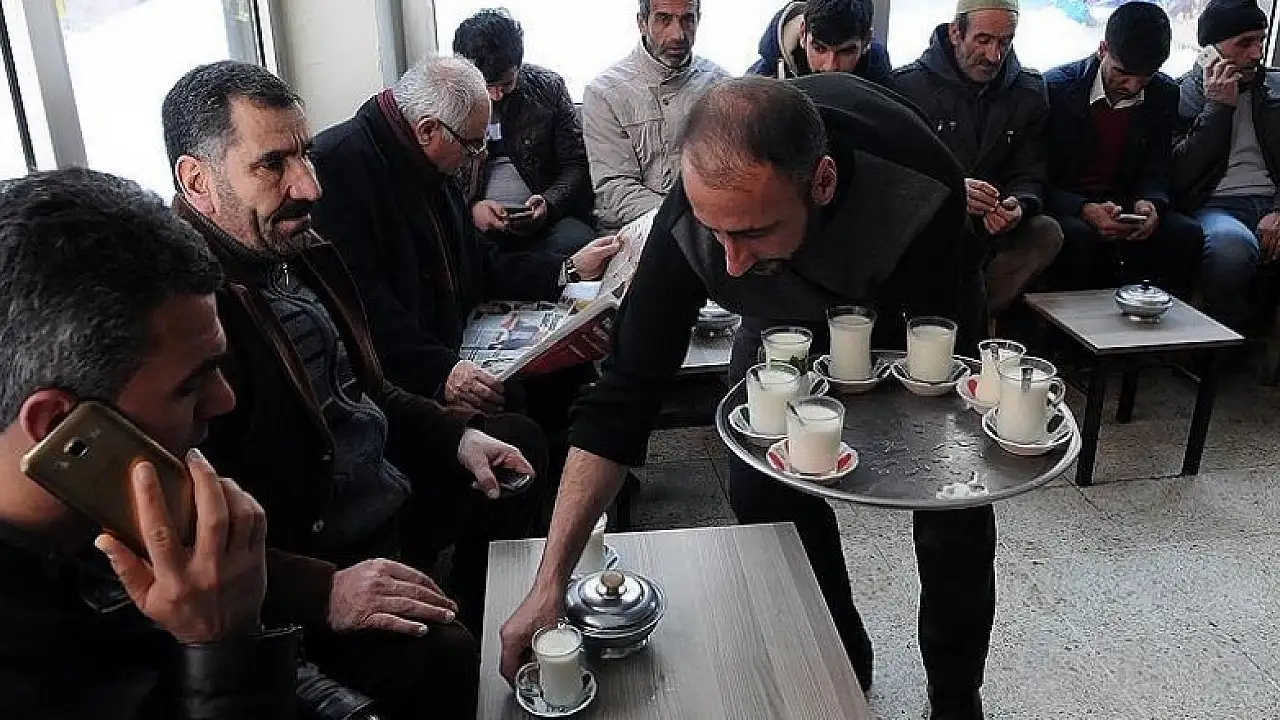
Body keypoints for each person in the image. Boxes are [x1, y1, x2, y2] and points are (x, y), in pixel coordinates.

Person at [500, 74, 996, 720]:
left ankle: (956, 696)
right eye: (717, 234)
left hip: (912, 310)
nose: (729, 264)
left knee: (953, 507)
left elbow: (934, 367)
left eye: (752, 231)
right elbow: (623, 396)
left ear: (821, 182)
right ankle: (841, 648)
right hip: (779, 319)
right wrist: (549, 584)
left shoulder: (920, 186)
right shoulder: (697, 217)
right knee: (761, 489)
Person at [163, 61, 547, 718]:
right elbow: (188, 529)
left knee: (517, 446)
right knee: (439, 655)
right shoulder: (184, 316)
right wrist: (323, 590)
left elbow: (365, 390)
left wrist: (454, 435)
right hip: (314, 550)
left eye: (305, 155)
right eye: (273, 165)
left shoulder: (299, 249)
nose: (309, 185)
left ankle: (482, 621)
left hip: (379, 488)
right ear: (197, 180)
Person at [0, 168, 300, 719]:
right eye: (192, 385)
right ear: (57, 423)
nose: (225, 400)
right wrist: (222, 648)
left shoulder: (108, 504)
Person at [310, 55, 620, 491]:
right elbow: (361, 309)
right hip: (404, 378)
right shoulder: (339, 167)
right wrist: (442, 371)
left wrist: (566, 269)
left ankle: (579, 496)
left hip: (455, 339)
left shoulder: (422, 159)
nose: (479, 155)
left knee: (569, 377)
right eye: (472, 145)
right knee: (522, 431)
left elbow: (476, 259)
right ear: (427, 130)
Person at [893, 0, 1064, 325]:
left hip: (992, 225)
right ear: (955, 33)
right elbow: (896, 174)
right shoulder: (907, 86)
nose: (994, 56)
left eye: (1005, 42)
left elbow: (1031, 170)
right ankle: (954, 321)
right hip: (932, 220)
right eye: (983, 40)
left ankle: (962, 319)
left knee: (1047, 232)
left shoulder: (1029, 91)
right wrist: (952, 191)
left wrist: (1018, 205)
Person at [1044, 2, 1203, 295]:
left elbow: (1157, 167)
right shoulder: (1056, 89)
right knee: (1078, 238)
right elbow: (1038, 172)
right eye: (1123, 73)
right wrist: (1083, 208)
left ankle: (1155, 319)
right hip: (1067, 201)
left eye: (1145, 77)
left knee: (1184, 234)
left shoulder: (1163, 93)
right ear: (1103, 49)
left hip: (1124, 202)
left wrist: (1150, 202)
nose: (1132, 86)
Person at [452, 9, 596, 256]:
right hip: (473, 224)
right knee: (463, 252)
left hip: (543, 221)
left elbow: (575, 164)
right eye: (486, 86)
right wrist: (471, 208)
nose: (496, 96)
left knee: (578, 242)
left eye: (506, 84)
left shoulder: (548, 88)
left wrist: (549, 203)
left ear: (518, 67)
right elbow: (435, 178)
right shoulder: (447, 101)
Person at [584, 0, 730, 231]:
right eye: (664, 19)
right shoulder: (605, 92)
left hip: (712, 222)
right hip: (634, 225)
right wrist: (684, 224)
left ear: (698, 19)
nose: (678, 35)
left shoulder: (720, 85)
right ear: (642, 23)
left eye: (688, 19)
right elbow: (615, 187)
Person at [1175, 0, 1276, 331]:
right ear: (1210, 51)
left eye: (1260, 41)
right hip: (1216, 205)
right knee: (1231, 248)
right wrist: (1217, 108)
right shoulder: (1181, 93)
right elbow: (1180, 174)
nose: (1257, 53)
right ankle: (1225, 344)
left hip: (1272, 201)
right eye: (1244, 43)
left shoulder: (1275, 90)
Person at [747, 0, 893, 86]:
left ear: (867, 41)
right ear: (803, 34)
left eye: (845, 52)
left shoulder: (878, 74)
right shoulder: (764, 79)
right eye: (819, 48)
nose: (830, 67)